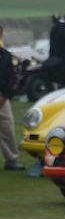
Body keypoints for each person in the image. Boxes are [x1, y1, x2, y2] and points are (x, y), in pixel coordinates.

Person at [0, 28, 23, 171]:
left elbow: (11, 79)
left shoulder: (5, 55)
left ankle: (11, 159)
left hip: (2, 97)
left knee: (7, 128)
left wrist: (5, 95)